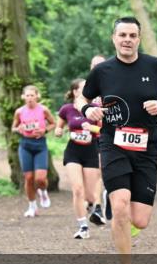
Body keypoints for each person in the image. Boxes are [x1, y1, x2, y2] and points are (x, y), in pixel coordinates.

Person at [82, 17, 157, 264]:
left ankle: (124, 225)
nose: (127, 39)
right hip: (113, 143)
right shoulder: (102, 71)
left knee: (141, 219)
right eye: (122, 34)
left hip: (147, 147)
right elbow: (84, 96)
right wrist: (87, 109)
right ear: (113, 38)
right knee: (120, 206)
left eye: (133, 35)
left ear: (139, 39)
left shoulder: (155, 65)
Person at [55, 77, 105, 239]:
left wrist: (91, 127)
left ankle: (95, 204)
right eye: (84, 87)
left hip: (91, 150)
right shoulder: (66, 109)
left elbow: (104, 130)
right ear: (75, 91)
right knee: (77, 189)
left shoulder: (95, 108)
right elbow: (59, 125)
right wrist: (58, 131)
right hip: (73, 151)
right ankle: (83, 227)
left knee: (90, 196)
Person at [11, 85, 56, 217]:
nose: (30, 98)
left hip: (40, 145)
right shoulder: (19, 112)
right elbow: (13, 127)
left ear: (37, 96)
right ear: (23, 97)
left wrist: (45, 130)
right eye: (27, 95)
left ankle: (43, 191)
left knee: (41, 178)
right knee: (29, 178)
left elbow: (53, 123)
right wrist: (18, 129)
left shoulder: (43, 110)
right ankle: (32, 206)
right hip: (25, 145)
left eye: (32, 95)